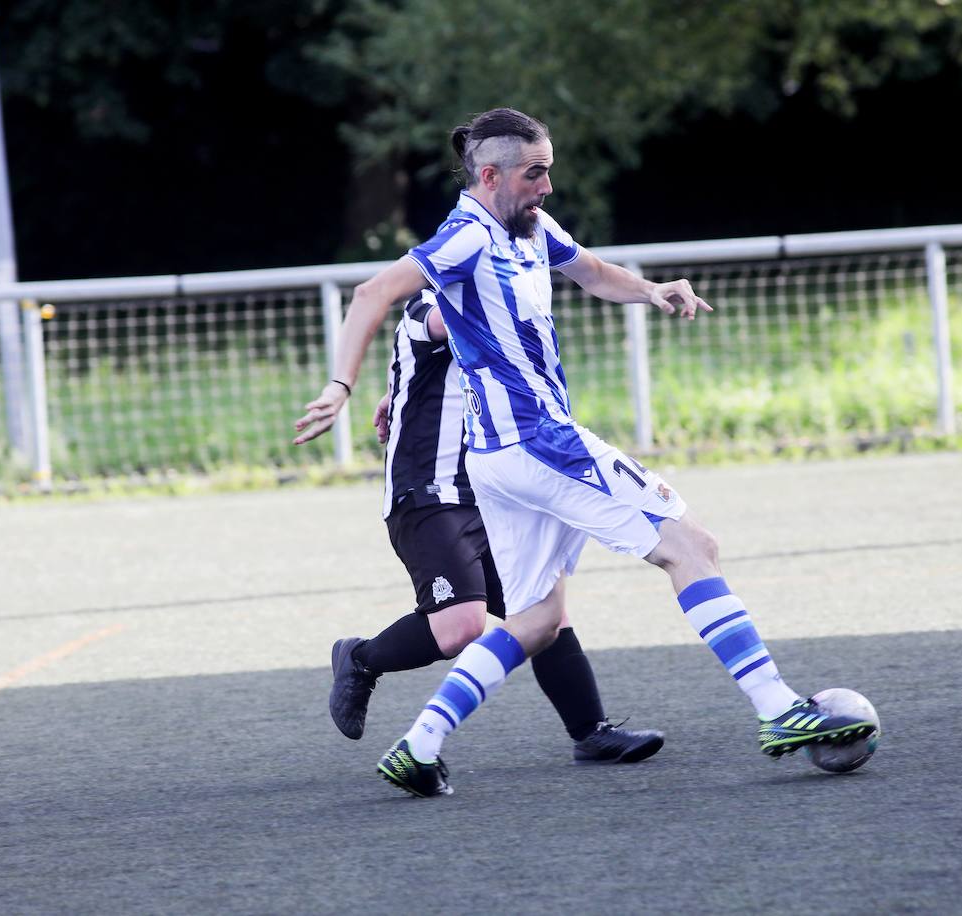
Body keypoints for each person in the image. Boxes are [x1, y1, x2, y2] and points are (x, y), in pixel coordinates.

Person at [294, 108, 875, 797]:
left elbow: (593, 272)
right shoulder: (466, 236)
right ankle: (778, 709)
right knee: (692, 547)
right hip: (539, 442)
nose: (546, 186)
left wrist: (651, 290)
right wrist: (340, 386)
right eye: (534, 173)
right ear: (490, 176)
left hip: (498, 459)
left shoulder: (531, 227)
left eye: (548, 171)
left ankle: (419, 746)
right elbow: (373, 293)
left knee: (537, 620)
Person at [326, 289, 664, 767]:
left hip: (491, 492)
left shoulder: (488, 302)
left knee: (541, 612)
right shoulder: (429, 304)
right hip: (430, 494)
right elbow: (446, 325)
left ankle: (591, 732)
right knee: (460, 627)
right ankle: (360, 659)